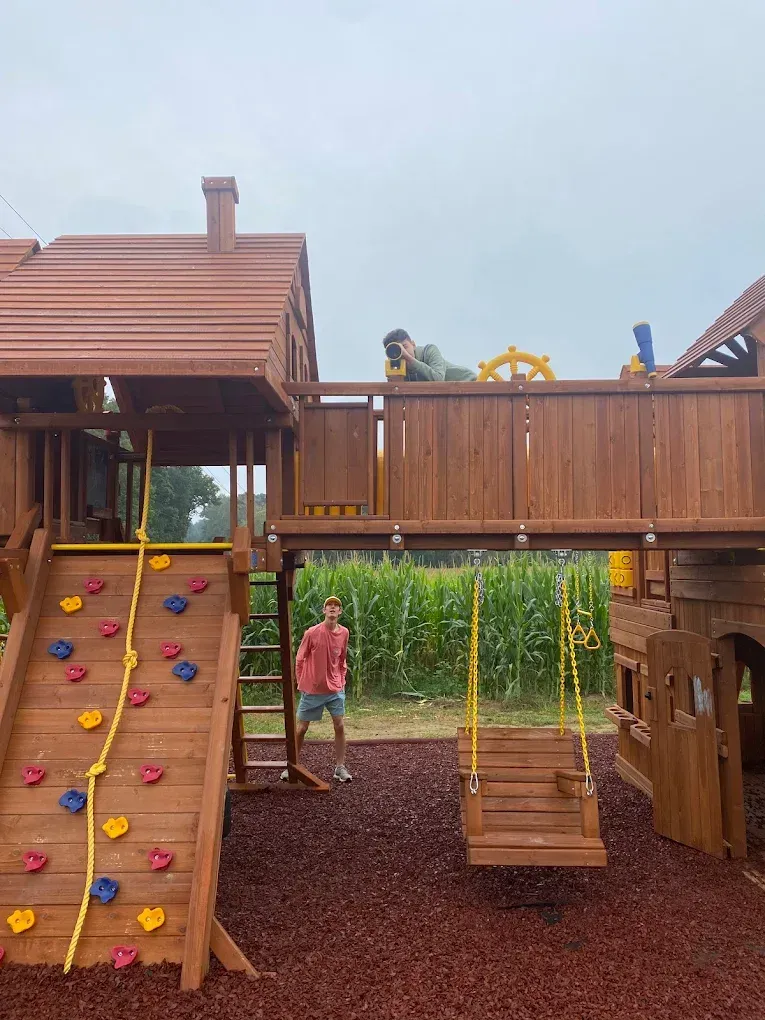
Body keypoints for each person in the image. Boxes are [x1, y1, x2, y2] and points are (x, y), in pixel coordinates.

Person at [280, 595, 352, 783]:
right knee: (302, 728)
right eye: (329, 605)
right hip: (312, 689)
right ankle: (291, 765)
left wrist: (342, 678)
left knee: (340, 725)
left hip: (335, 688)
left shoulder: (344, 632)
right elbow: (300, 658)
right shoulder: (312, 633)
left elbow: (342, 658)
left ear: (340, 612)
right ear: (324, 610)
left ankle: (340, 767)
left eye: (336, 606)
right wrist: (302, 681)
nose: (333, 608)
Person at [382, 328, 477, 381]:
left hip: (469, 383)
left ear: (413, 344)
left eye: (405, 347)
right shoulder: (401, 369)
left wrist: (410, 360)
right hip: (448, 400)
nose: (403, 353)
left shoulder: (429, 350)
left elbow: (439, 379)